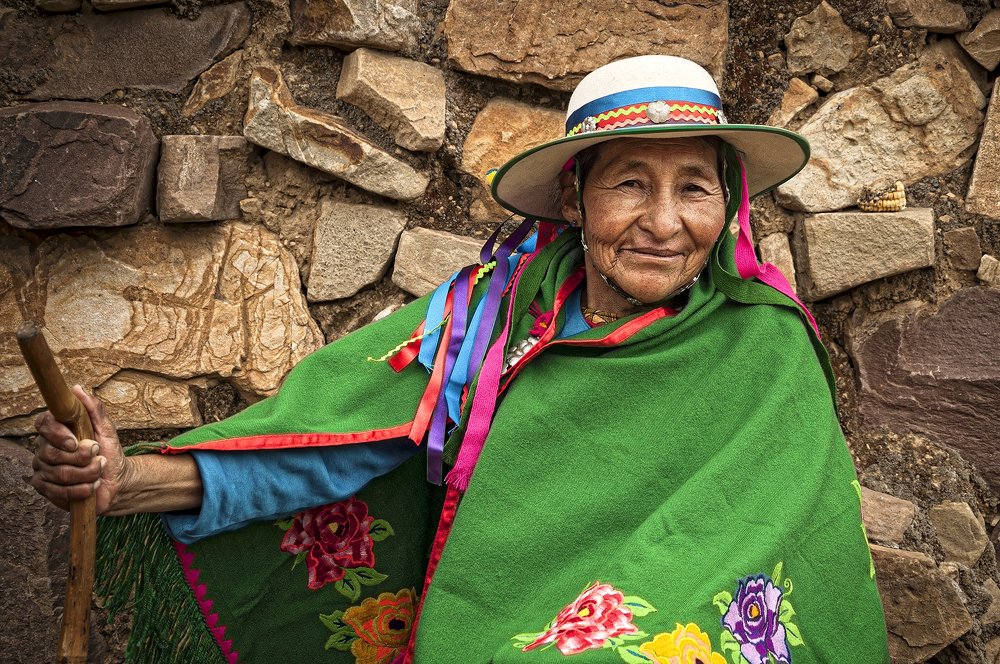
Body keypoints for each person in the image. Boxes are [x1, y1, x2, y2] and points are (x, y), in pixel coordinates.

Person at [29, 56, 890, 663]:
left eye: (694, 188)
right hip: (478, 637)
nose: (664, 222)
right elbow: (337, 444)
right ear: (574, 197)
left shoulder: (765, 346)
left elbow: (757, 542)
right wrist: (125, 480)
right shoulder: (491, 313)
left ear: (727, 205)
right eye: (631, 182)